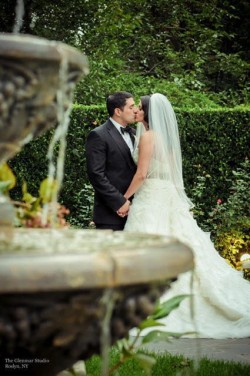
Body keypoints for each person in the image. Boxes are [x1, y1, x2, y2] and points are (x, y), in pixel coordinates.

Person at [124, 93, 250, 338]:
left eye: (139, 108)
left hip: (151, 198)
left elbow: (141, 175)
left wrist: (125, 198)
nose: (137, 111)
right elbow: (169, 171)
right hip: (166, 194)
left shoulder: (149, 137)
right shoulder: (165, 138)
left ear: (148, 113)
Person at [85, 91, 137, 231]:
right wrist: (120, 202)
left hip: (136, 212)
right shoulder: (98, 135)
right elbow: (96, 174)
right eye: (131, 107)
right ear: (118, 111)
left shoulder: (134, 134)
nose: (136, 111)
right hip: (110, 214)